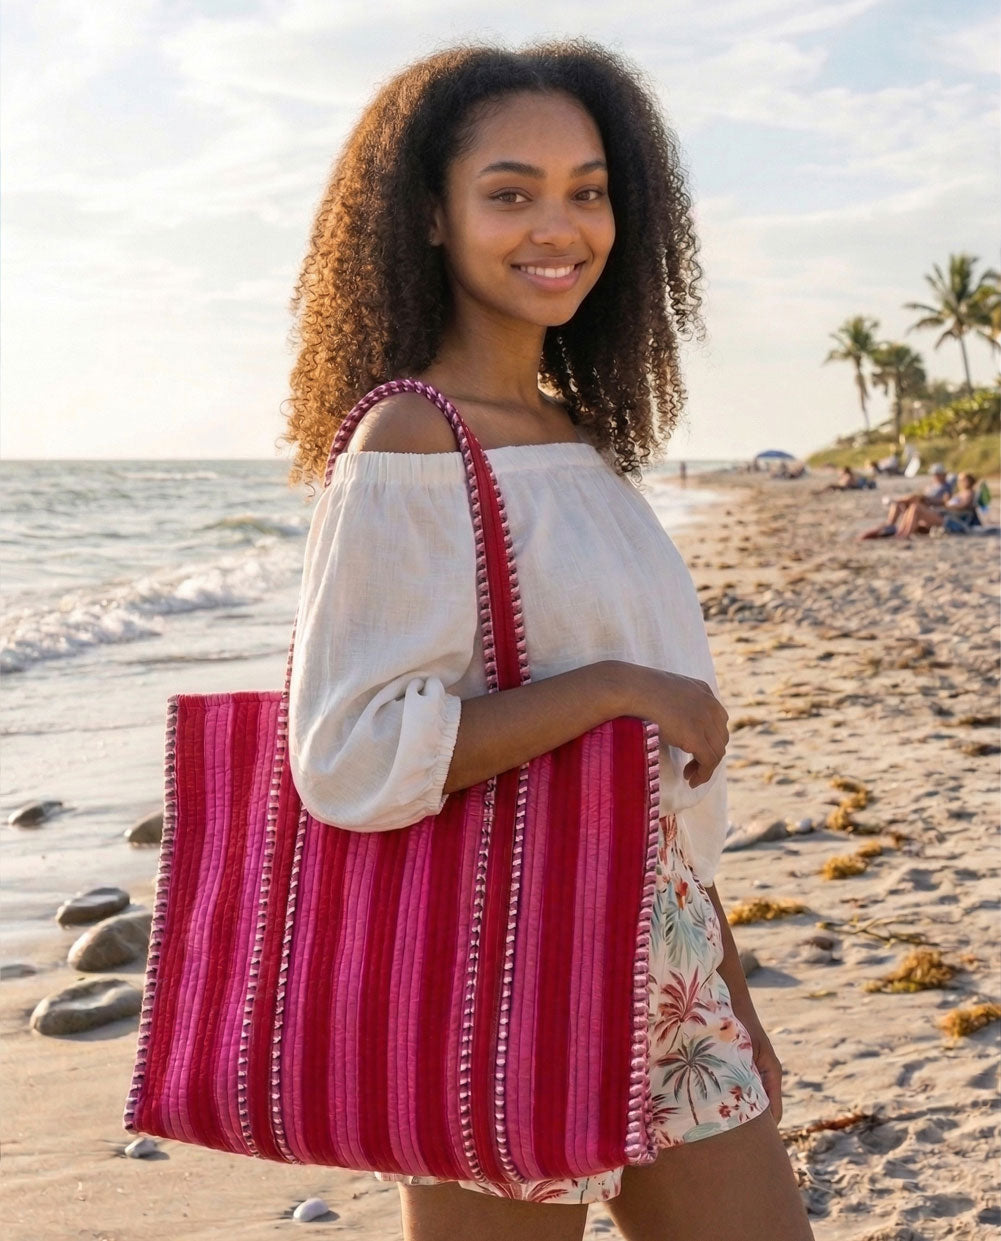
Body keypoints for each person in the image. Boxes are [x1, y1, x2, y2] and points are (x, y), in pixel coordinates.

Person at [282, 42, 813, 1241]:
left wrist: (730, 994)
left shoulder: (576, 439)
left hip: (664, 951)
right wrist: (617, 686)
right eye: (510, 192)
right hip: (493, 964)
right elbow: (349, 756)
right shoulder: (412, 440)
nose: (557, 225)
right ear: (431, 214)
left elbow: (655, 785)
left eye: (587, 189)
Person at [895, 472, 981, 538]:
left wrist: (946, 505)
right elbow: (949, 504)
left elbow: (962, 507)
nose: (959, 482)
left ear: (969, 481)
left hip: (952, 520)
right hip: (945, 514)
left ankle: (905, 535)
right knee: (914, 506)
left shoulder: (969, 493)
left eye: (962, 480)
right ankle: (901, 532)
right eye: (959, 480)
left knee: (916, 508)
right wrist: (945, 502)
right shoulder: (960, 493)